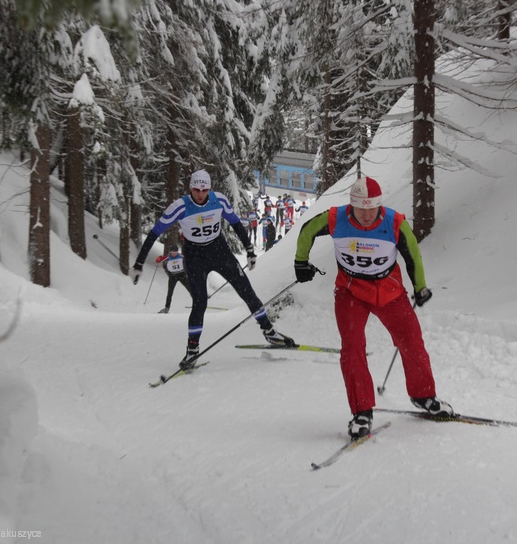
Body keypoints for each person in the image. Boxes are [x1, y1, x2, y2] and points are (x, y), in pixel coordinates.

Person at [293, 176, 453, 439]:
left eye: (371, 208)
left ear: (379, 204)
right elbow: (308, 229)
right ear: (351, 205)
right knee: (353, 347)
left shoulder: (394, 222)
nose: (366, 215)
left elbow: (412, 252)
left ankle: (423, 396)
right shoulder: (336, 218)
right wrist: (301, 261)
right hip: (350, 291)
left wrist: (420, 287)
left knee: (412, 340)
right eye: (360, 209)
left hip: (389, 291)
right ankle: (361, 412)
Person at [130, 169, 295, 369]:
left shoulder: (219, 200)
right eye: (197, 189)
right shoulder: (180, 207)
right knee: (200, 302)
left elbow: (235, 224)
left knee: (246, 291)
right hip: (195, 256)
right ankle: (192, 349)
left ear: (209, 188)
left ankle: (270, 333)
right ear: (190, 187)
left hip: (219, 251)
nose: (200, 194)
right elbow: (155, 233)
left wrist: (250, 250)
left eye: (204, 189)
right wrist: (139, 263)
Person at [155, 244, 191, 314]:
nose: (174, 254)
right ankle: (166, 308)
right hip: (172, 277)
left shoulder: (181, 256)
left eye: (175, 252)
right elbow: (158, 260)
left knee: (190, 288)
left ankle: (197, 304)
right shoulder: (167, 257)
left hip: (182, 275)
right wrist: (159, 259)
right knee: (170, 292)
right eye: (172, 252)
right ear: (170, 252)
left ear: (177, 252)